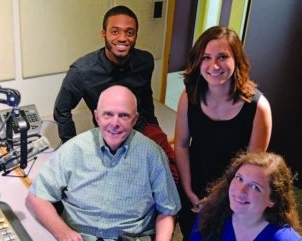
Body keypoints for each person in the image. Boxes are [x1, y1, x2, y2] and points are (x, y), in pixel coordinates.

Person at [26, 85, 181, 241]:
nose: (115, 123)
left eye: (124, 116)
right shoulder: (74, 149)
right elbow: (37, 197)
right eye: (108, 114)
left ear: (135, 119)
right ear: (97, 116)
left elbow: (168, 211)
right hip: (79, 237)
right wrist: (62, 232)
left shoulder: (152, 155)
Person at [53, 5, 179, 182]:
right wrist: (71, 148)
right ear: (103, 34)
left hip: (141, 125)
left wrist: (153, 128)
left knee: (171, 173)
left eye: (129, 32)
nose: (122, 38)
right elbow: (62, 111)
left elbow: (145, 96)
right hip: (108, 132)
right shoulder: (81, 71)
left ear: (135, 36)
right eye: (115, 31)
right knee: (116, 182)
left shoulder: (145, 61)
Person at [174, 26, 272, 240]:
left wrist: (217, 198)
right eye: (206, 57)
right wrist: (189, 190)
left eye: (222, 57)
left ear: (236, 59)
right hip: (194, 182)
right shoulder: (189, 96)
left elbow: (252, 168)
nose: (214, 65)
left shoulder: (258, 107)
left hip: (236, 190)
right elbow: (181, 145)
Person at [189, 151, 302, 241]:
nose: (240, 191)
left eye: (255, 187)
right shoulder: (208, 215)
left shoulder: (285, 238)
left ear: (272, 200)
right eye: (239, 178)